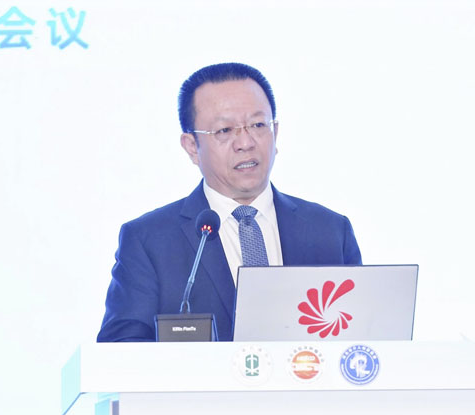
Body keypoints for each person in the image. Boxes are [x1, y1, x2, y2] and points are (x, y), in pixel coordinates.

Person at [97, 62, 362, 342]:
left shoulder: (330, 232)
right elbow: (120, 349)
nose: (245, 142)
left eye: (258, 125)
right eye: (224, 130)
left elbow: (364, 336)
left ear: (275, 132)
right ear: (191, 147)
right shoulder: (149, 241)